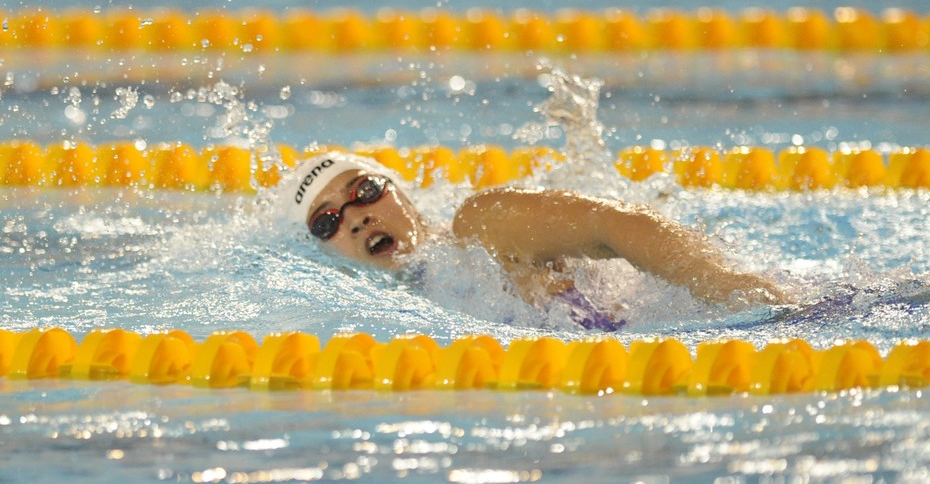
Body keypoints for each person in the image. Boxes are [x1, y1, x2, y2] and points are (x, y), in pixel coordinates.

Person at [277, 151, 788, 331]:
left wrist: (733, 287)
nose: (356, 218)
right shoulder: (383, 314)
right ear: (326, 251)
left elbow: (612, 225)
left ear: (403, 196)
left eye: (364, 191)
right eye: (327, 221)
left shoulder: (478, 228)